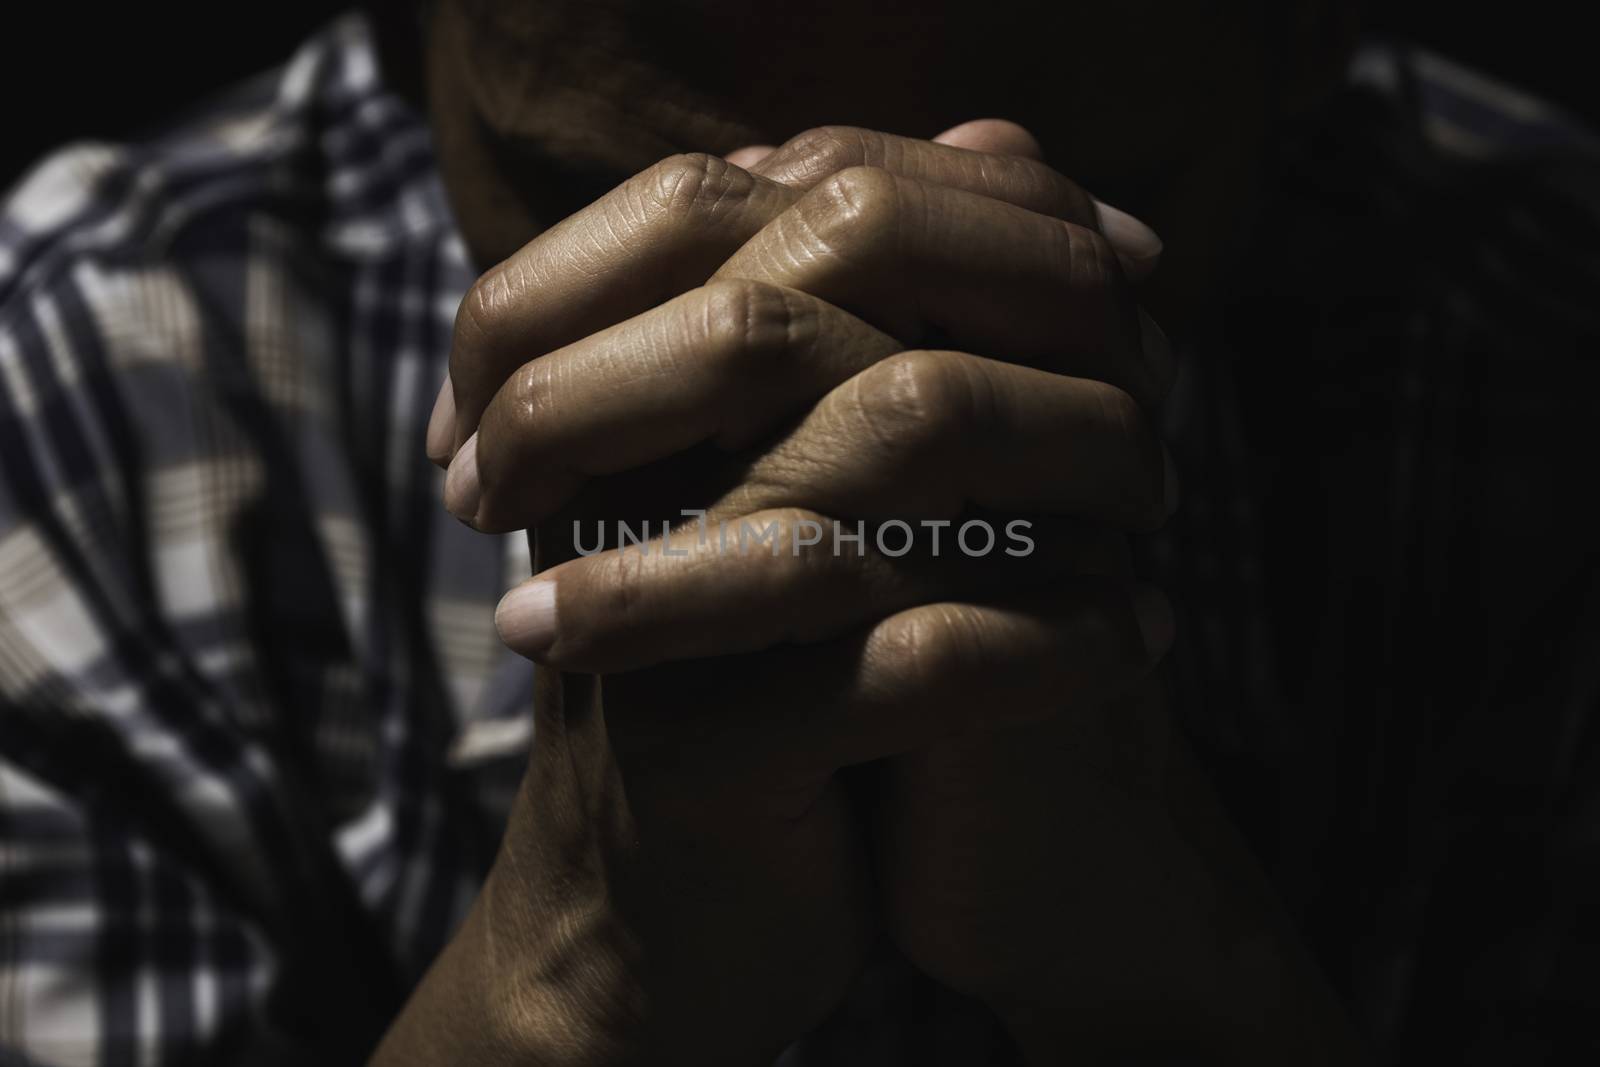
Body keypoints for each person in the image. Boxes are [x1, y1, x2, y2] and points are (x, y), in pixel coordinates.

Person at [1, 2, 1595, 1064]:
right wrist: (573, 976)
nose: (853, 382)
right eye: (589, 197)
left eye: (1051, 211)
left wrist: (1158, 958)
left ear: (1303, 33)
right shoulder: (101, 368)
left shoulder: (1543, 348)